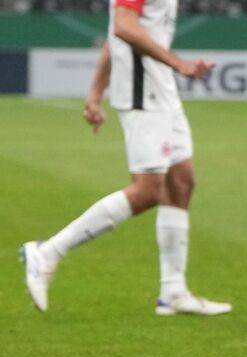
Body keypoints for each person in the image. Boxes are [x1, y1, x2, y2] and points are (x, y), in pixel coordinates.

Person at [19, 0, 231, 316]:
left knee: (181, 182)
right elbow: (123, 26)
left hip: (161, 90)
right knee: (147, 191)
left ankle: (173, 292)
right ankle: (48, 252)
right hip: (142, 92)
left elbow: (115, 36)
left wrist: (94, 94)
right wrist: (179, 64)